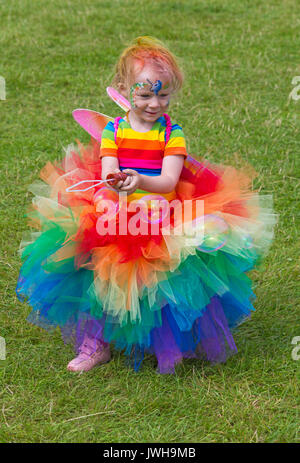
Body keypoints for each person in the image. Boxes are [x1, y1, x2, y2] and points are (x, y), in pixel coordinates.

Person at [16, 36, 275, 374]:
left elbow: (168, 181)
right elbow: (109, 169)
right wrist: (117, 182)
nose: (154, 103)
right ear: (124, 88)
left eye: (163, 94)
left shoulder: (172, 134)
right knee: (97, 274)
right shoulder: (114, 130)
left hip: (160, 213)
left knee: (163, 282)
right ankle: (96, 344)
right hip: (116, 211)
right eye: (145, 94)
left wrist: (138, 180)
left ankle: (168, 342)